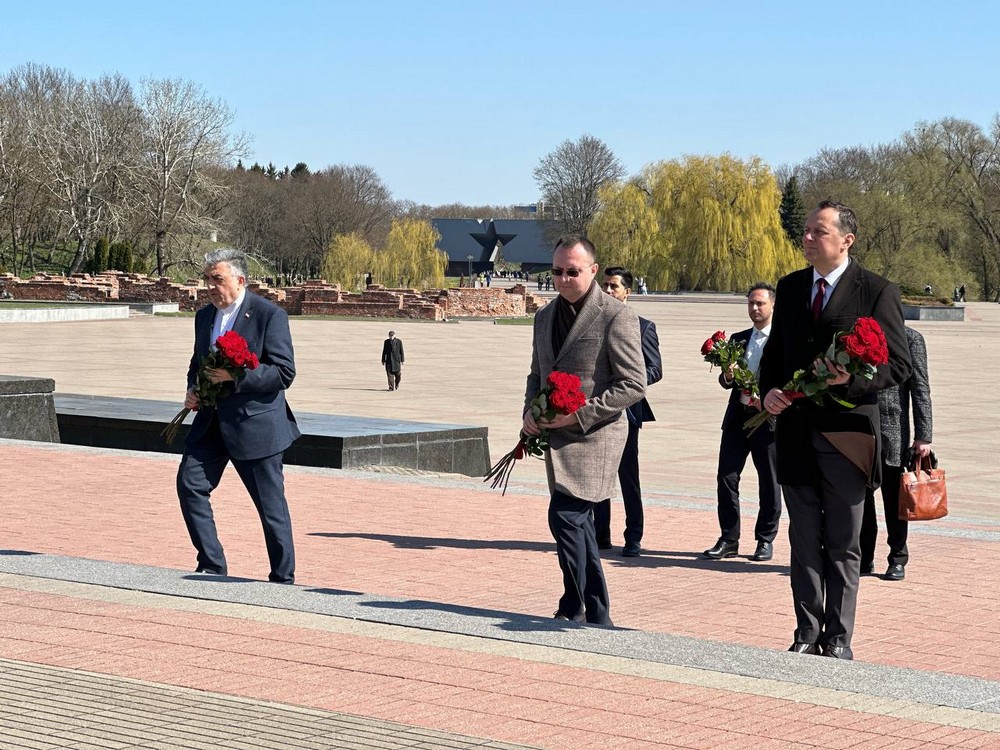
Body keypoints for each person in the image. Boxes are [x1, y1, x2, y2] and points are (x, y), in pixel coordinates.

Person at [759, 200, 911, 660]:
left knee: (843, 542)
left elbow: (898, 362)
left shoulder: (877, 291)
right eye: (805, 231)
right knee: (803, 537)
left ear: (846, 240)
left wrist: (856, 378)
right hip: (795, 433)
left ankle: (838, 637)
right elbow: (774, 358)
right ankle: (805, 631)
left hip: (847, 436)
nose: (807, 238)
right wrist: (768, 393)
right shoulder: (788, 287)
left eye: (818, 231)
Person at [522, 235, 646, 625]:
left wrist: (578, 416)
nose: (562, 279)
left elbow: (633, 383)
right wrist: (530, 412)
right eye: (556, 271)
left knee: (567, 517)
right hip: (555, 436)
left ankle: (592, 608)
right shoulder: (543, 317)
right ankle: (579, 606)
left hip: (597, 435)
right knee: (574, 523)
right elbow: (537, 373)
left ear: (592, 270)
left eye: (572, 272)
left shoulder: (615, 315)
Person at [176, 248, 300, 584]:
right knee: (189, 484)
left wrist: (237, 377)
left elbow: (283, 372)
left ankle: (282, 577)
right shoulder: (204, 316)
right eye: (207, 280)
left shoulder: (268, 315)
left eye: (217, 279)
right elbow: (197, 362)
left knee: (270, 509)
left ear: (240, 279)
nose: (210, 287)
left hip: (256, 425)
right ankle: (212, 564)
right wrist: (193, 389)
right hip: (211, 424)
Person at [704, 282, 782, 562]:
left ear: (773, 305)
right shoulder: (737, 339)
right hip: (738, 418)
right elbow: (727, 382)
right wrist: (727, 374)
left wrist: (772, 397)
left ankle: (765, 540)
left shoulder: (784, 340)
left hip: (768, 420)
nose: (755, 308)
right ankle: (729, 538)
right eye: (751, 303)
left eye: (760, 303)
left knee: (769, 482)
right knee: (726, 477)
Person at [593, 266, 662, 557]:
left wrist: (626, 380)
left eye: (614, 287)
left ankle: (633, 536)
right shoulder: (593, 322)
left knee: (627, 476)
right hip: (596, 410)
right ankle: (600, 535)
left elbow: (655, 369)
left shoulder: (642, 326)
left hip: (626, 411)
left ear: (627, 292)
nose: (608, 291)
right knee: (597, 475)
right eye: (605, 285)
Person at [860, 327, 933, 581]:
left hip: (893, 432)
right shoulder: (857, 335)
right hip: (860, 429)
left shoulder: (910, 338)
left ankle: (897, 558)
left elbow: (920, 387)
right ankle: (863, 556)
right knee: (861, 500)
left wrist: (924, 435)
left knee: (895, 501)